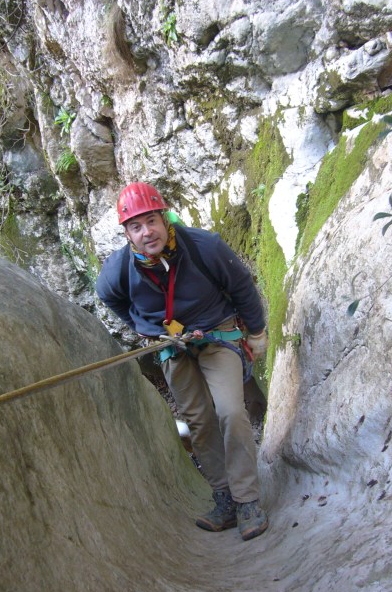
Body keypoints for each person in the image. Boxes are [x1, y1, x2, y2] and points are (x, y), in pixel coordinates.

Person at [96, 182, 269, 541]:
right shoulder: (118, 270)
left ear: (165, 218)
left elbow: (241, 286)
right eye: (136, 226)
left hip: (216, 335)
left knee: (230, 412)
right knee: (199, 421)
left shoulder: (204, 247)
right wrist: (142, 327)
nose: (147, 232)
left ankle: (247, 499)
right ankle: (224, 497)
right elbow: (109, 297)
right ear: (127, 234)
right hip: (170, 346)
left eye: (151, 221)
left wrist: (256, 331)